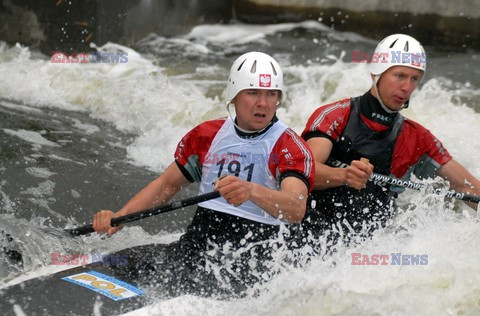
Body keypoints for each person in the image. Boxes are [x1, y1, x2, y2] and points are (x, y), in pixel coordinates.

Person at [92, 51, 315, 297]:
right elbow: (166, 186)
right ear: (234, 96)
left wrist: (251, 191)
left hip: (251, 263)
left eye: (271, 94)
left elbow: (296, 208)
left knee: (186, 283)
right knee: (116, 263)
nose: (263, 103)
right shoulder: (207, 135)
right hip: (194, 249)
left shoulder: (289, 145)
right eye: (253, 93)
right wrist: (119, 218)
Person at [300, 34, 480, 249]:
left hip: (371, 252)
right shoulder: (334, 116)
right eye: (399, 75)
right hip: (312, 235)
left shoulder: (418, 137)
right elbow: (302, 171)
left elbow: (467, 188)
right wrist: (343, 176)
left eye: (415, 79)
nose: (407, 87)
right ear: (376, 74)